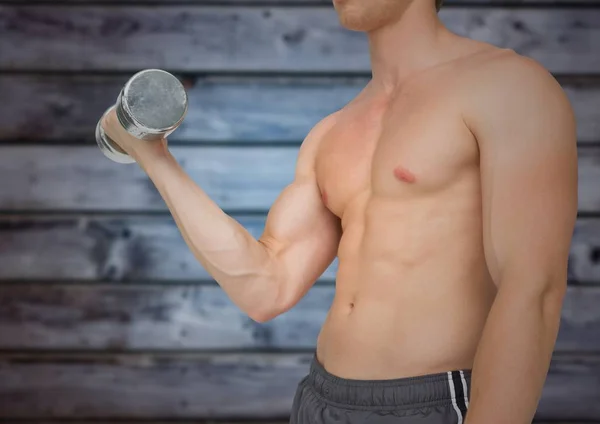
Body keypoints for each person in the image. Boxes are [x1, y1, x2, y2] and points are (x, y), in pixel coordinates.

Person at [101, 0, 578, 422]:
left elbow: (532, 290)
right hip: (320, 399)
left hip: (435, 403)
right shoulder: (332, 132)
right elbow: (265, 287)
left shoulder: (508, 86)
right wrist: (152, 154)